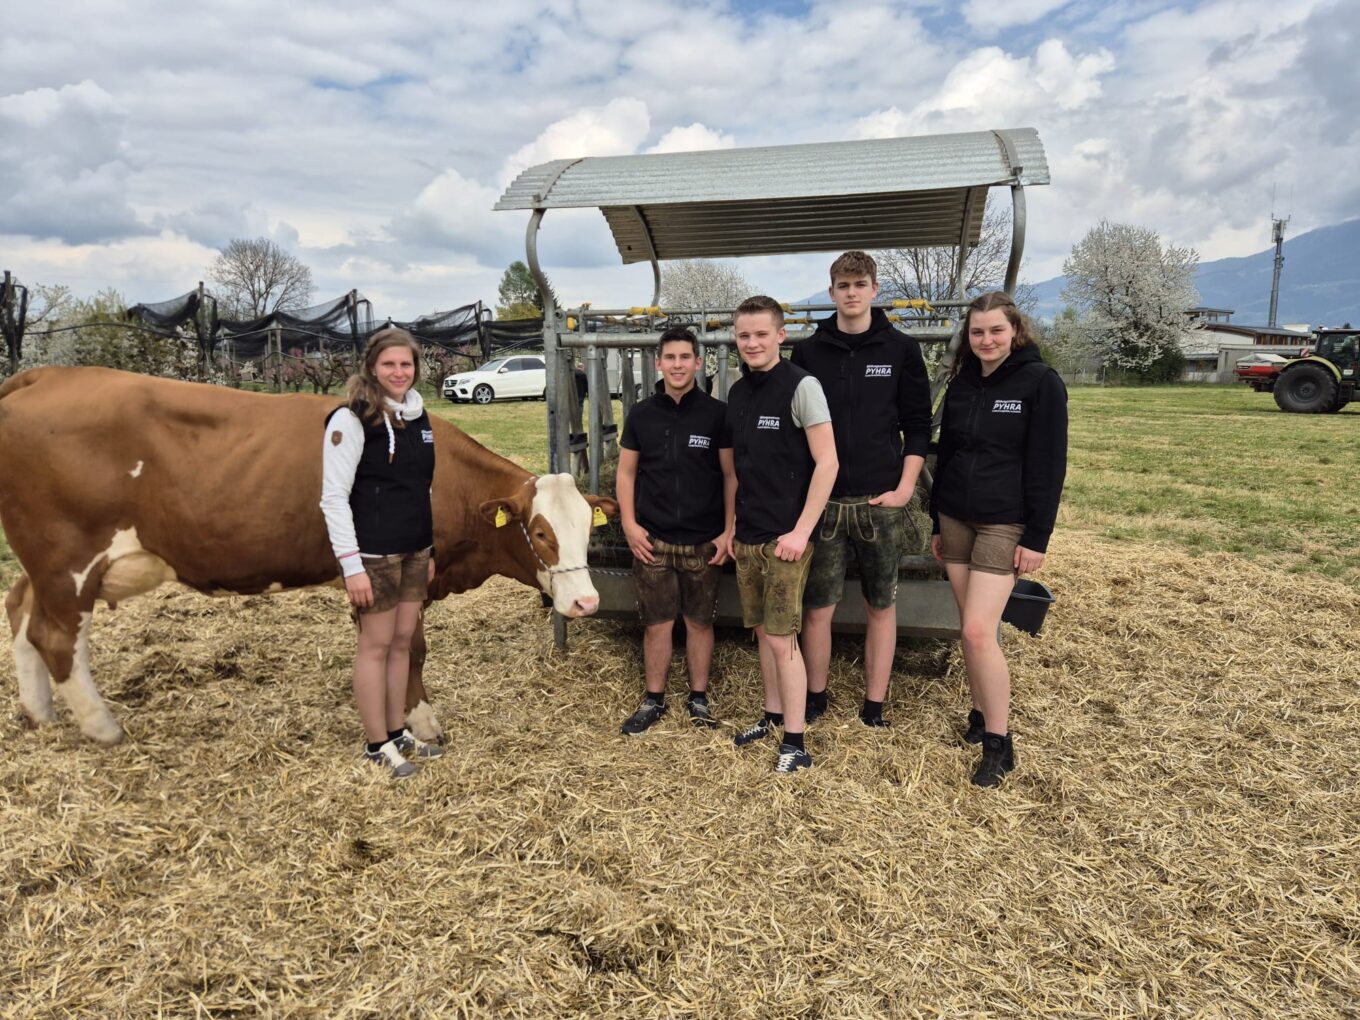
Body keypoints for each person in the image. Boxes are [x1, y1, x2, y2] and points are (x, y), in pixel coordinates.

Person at [929, 291, 1068, 787]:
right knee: (971, 628)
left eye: (995, 330)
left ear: (1015, 331)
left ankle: (999, 743)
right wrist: (936, 522)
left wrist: (1038, 537)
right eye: (977, 331)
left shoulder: (1041, 382)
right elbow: (946, 453)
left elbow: (1049, 465)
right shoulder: (963, 383)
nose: (986, 340)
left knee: (976, 632)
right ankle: (979, 712)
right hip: (956, 517)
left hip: (1004, 521)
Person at [790, 251, 931, 728]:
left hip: (879, 500)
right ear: (832, 292)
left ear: (875, 289)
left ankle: (874, 706)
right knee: (817, 608)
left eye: (860, 284)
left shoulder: (900, 349)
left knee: (881, 605)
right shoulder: (809, 352)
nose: (851, 293)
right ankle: (815, 696)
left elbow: (918, 425)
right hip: (824, 502)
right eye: (843, 285)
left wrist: (905, 488)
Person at [320, 327, 445, 779]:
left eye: (406, 364)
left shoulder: (418, 416)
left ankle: (397, 731)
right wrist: (351, 566)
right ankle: (377, 744)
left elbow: (421, 488)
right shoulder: (351, 420)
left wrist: (429, 550)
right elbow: (333, 498)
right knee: (374, 646)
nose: (398, 372)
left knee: (401, 642)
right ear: (372, 367)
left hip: (414, 550)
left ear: (416, 369)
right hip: (374, 555)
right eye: (389, 364)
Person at [724, 296, 838, 773]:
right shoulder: (738, 392)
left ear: (780, 335)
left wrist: (801, 531)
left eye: (761, 334)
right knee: (761, 633)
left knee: (781, 638)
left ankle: (796, 741)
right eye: (744, 335)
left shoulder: (802, 386)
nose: (752, 343)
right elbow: (736, 470)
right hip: (749, 534)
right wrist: (732, 527)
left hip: (786, 538)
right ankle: (772, 716)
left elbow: (827, 462)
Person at [615, 326, 736, 734]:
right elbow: (626, 473)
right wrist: (629, 524)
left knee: (700, 622)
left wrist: (728, 530)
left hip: (704, 542)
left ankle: (698, 698)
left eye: (685, 357)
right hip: (653, 540)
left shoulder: (717, 414)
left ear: (698, 363)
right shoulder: (641, 414)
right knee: (658, 623)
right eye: (670, 357)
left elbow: (730, 476)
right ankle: (654, 699)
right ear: (659, 363)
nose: (678, 365)